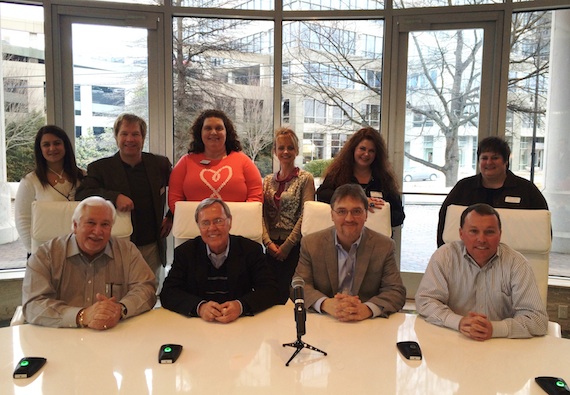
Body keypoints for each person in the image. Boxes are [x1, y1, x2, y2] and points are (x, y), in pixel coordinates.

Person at [416, 203, 548, 340]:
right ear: (461, 234)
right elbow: (425, 301)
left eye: (489, 232)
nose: (481, 239)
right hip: (454, 338)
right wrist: (458, 322)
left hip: (502, 344)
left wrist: (495, 328)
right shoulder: (445, 256)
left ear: (500, 234)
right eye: (474, 231)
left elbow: (537, 320)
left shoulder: (517, 264)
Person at [22, 196, 157, 329]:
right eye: (90, 223)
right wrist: (82, 315)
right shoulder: (46, 255)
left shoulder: (127, 251)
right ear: (75, 225)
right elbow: (33, 305)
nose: (98, 231)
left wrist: (120, 309)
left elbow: (147, 289)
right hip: (61, 335)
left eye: (105, 224)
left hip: (113, 335)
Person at [76, 113, 172, 282]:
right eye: (124, 134)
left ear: (143, 137)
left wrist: (171, 216)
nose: (130, 139)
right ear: (116, 137)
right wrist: (114, 197)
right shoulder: (100, 168)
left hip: (151, 246)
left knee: (149, 295)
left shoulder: (160, 164)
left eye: (135, 134)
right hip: (114, 246)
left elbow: (181, 189)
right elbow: (82, 194)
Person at [294, 184, 406, 321]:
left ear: (366, 215)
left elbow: (396, 291)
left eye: (356, 211)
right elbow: (299, 286)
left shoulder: (384, 246)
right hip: (324, 321)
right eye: (341, 211)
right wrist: (325, 303)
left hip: (367, 324)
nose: (349, 219)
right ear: (332, 215)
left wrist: (368, 309)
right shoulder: (311, 244)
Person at [160, 198, 279, 323]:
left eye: (218, 221)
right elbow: (168, 292)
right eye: (205, 223)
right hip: (199, 325)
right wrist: (199, 307)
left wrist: (240, 306)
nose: (212, 228)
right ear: (199, 226)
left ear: (230, 222)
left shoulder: (250, 250)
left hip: (240, 324)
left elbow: (271, 289)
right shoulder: (185, 252)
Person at [437, 136, 548, 247]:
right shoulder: (463, 188)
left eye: (495, 158)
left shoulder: (527, 189)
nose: (489, 162)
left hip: (515, 256)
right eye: (484, 158)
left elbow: (543, 228)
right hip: (467, 257)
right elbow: (444, 221)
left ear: (506, 161)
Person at [168, 109, 263, 212]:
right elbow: (175, 201)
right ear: (200, 133)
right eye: (208, 128)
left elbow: (256, 198)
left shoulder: (244, 162)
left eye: (219, 128)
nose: (213, 132)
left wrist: (235, 220)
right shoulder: (185, 162)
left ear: (227, 133)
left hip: (237, 226)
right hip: (193, 226)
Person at [262, 127, 315, 304]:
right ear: (274, 151)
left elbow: (306, 215)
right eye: (281, 147)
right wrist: (267, 242)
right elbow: (260, 214)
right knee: (270, 294)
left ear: (297, 151)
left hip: (293, 248)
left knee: (290, 295)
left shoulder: (305, 179)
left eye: (290, 147)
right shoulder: (267, 180)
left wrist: (287, 245)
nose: (285, 151)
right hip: (270, 247)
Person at [15, 125, 85, 257]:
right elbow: (22, 218)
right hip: (44, 252)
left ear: (65, 145)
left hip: (79, 250)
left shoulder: (83, 176)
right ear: (40, 149)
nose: (52, 148)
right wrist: (33, 251)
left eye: (57, 143)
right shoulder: (30, 181)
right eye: (46, 145)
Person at [316, 127, 405, 227]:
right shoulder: (338, 174)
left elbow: (399, 216)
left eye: (371, 151)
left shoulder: (384, 178)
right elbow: (321, 195)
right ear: (353, 149)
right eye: (362, 149)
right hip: (344, 236)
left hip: (376, 237)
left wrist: (379, 211)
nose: (366, 154)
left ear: (377, 154)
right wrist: (360, 201)